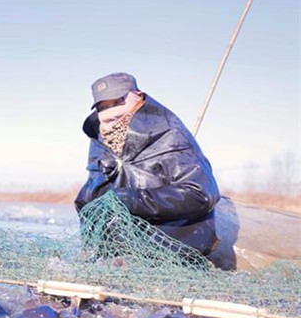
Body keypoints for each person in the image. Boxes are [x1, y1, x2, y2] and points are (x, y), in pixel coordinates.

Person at [74, 72, 236, 270]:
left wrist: (132, 199)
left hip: (170, 249)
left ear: (138, 97)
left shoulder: (171, 134)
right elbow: (93, 188)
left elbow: (201, 193)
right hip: (115, 252)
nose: (110, 113)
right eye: (103, 107)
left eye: (118, 101)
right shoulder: (100, 138)